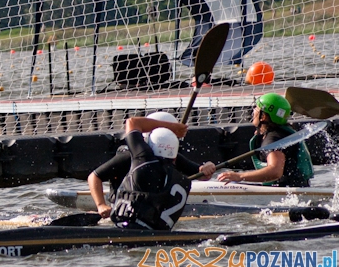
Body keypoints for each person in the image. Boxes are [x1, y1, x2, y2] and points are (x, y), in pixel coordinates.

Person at [87, 111, 216, 219]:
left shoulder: (168, 157)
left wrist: (207, 167)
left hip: (147, 212)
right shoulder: (130, 156)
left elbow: (201, 174)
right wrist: (101, 205)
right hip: (122, 209)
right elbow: (94, 177)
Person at [109, 116, 192, 230]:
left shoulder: (143, 160)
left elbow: (133, 122)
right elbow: (203, 173)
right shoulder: (177, 174)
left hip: (129, 228)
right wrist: (207, 167)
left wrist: (173, 127)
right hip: (156, 232)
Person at [217, 92, 313, 187]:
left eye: (256, 108)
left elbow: (275, 171)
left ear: (263, 116)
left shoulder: (273, 139)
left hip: (287, 194)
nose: (253, 111)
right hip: (294, 189)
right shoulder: (280, 133)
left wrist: (240, 176)